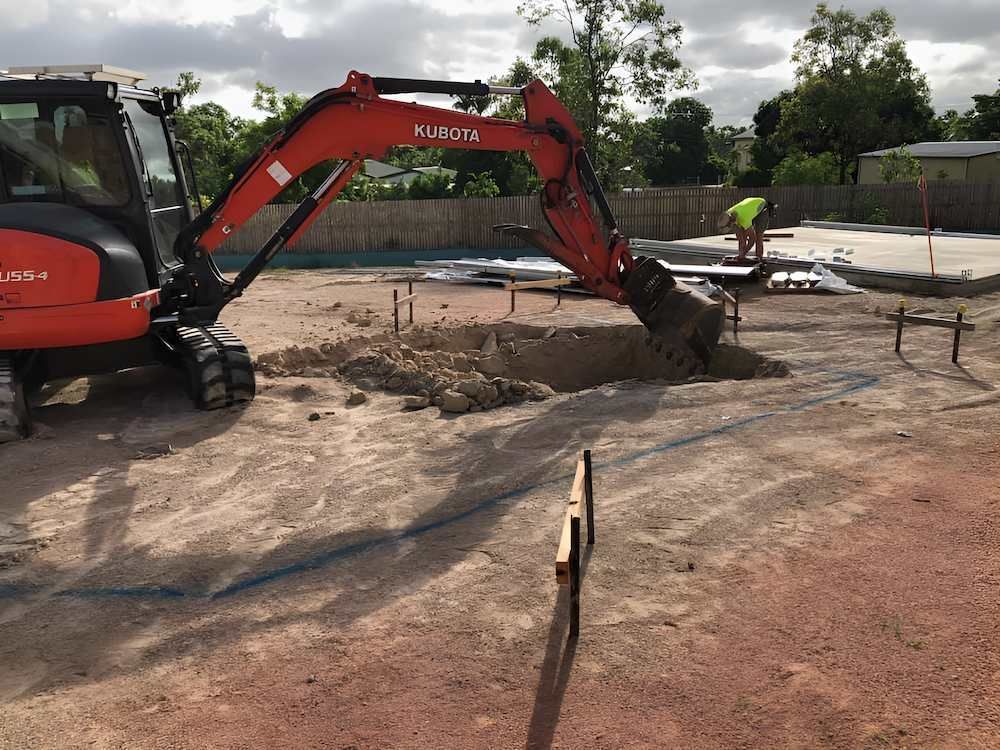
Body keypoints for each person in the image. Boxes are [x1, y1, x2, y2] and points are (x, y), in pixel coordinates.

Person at [719, 197, 777, 262]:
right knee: (743, 235)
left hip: (762, 208)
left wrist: (743, 253)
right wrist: (741, 255)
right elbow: (740, 239)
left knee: (758, 236)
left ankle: (759, 258)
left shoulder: (744, 219)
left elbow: (753, 239)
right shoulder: (729, 213)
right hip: (749, 208)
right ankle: (742, 255)